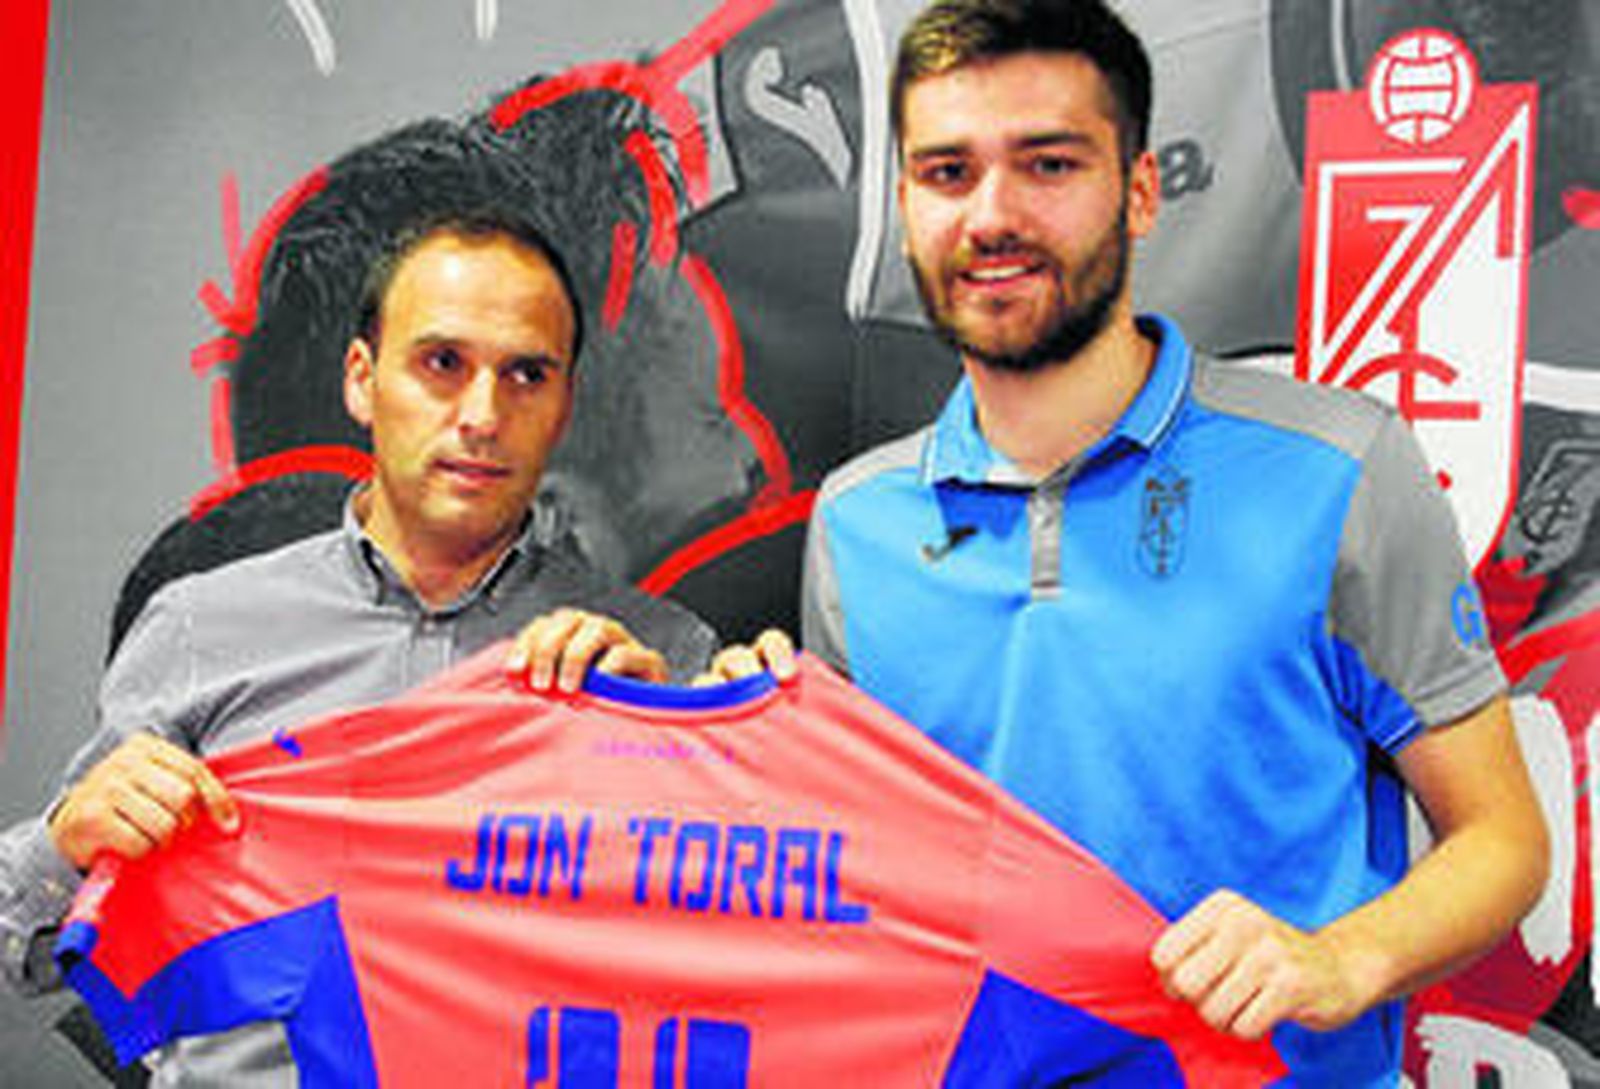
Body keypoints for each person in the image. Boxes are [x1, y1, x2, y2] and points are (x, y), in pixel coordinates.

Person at [728, 0, 1550, 1083]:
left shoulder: (1337, 465)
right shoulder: (854, 520)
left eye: (1049, 165)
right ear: (908, 205)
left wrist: (1341, 960)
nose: (993, 215)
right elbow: (857, 878)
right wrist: (691, 728)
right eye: (947, 173)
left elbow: (1503, 838)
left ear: (1142, 190)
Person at [0, 208, 715, 1084]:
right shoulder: (199, 628)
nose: (483, 415)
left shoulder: (660, 657)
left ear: (565, 404)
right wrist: (66, 844)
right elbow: (27, 952)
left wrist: (670, 758)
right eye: (442, 363)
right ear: (362, 380)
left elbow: (729, 979)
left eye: (527, 374)